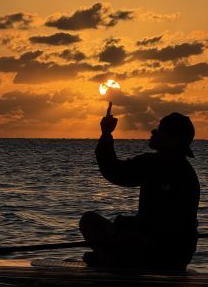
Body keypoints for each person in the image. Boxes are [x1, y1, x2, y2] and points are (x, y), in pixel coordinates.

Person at [79, 103, 200, 271]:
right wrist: (106, 135)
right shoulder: (158, 165)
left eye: (160, 130)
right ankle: (111, 257)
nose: (153, 132)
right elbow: (115, 171)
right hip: (174, 253)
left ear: (173, 140)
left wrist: (106, 134)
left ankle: (112, 260)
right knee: (94, 222)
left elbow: (161, 225)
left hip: (163, 252)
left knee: (93, 222)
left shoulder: (176, 173)